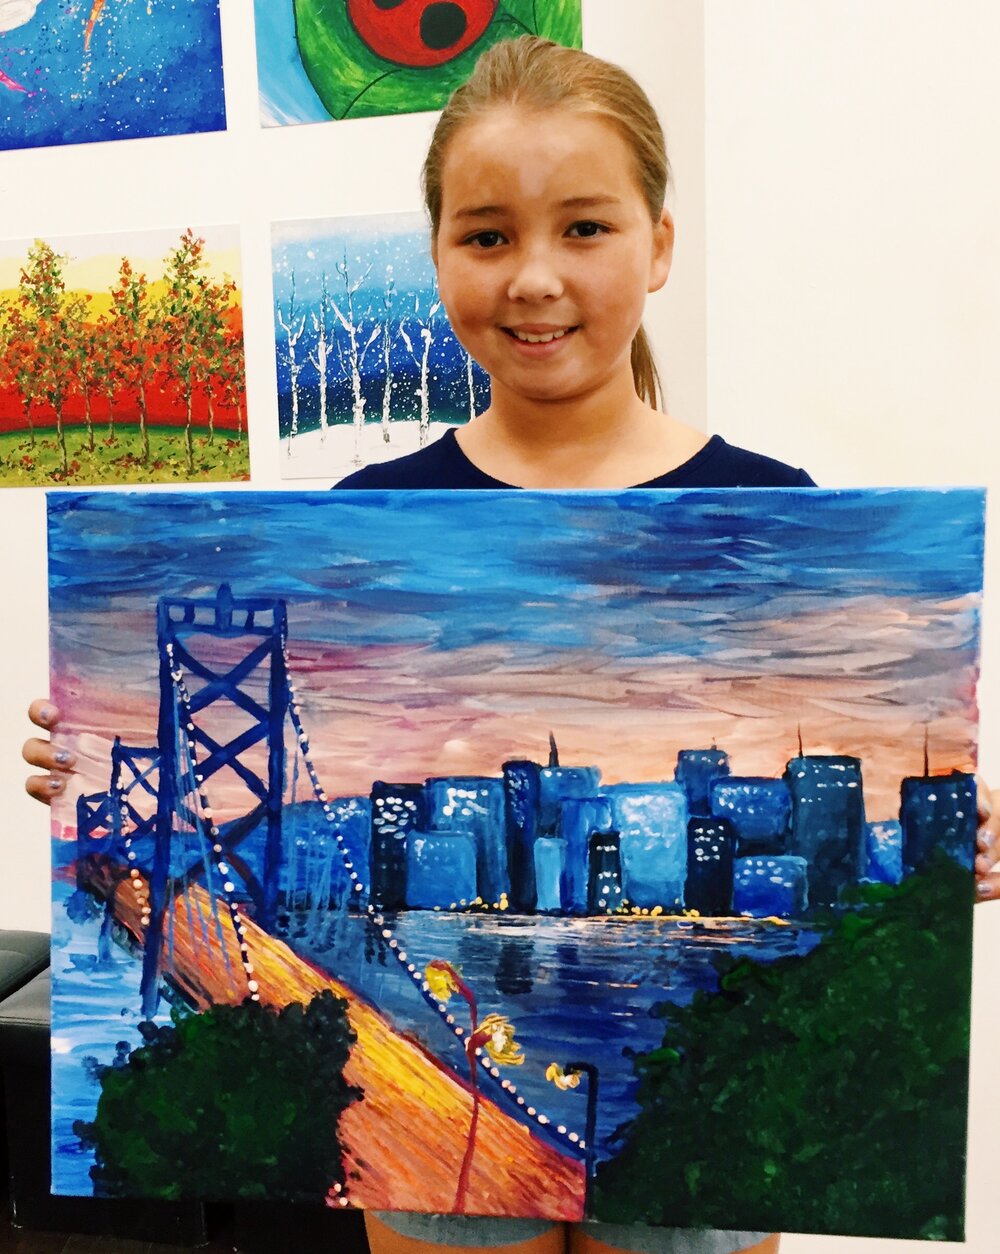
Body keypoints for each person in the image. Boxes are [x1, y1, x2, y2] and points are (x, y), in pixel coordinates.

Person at [22, 34, 999, 1254]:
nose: (534, 276)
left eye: (583, 228)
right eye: (487, 235)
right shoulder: (356, 522)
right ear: (436, 256)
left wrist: (940, 848)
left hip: (700, 1154)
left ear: (660, 246)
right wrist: (94, 757)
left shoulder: (776, 500)